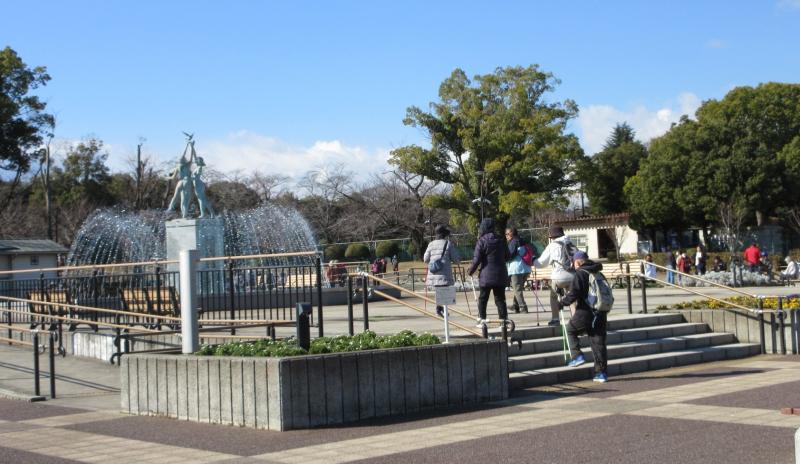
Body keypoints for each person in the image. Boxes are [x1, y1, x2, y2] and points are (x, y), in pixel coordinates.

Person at [559, 251, 608, 383]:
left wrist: (562, 303)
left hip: (585, 311)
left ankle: (577, 356)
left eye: (574, 262)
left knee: (570, 329)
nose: (573, 265)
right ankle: (601, 374)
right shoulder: (598, 272)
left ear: (578, 261)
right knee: (598, 343)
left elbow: (575, 293)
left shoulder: (581, 273)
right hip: (601, 311)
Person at [468, 218, 510, 326]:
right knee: (500, 299)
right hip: (500, 274)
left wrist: (470, 271)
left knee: (483, 299)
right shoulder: (501, 240)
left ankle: (482, 320)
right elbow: (508, 256)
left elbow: (476, 259)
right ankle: (503, 321)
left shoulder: (481, 241)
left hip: (486, 275)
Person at [533, 225, 576, 326]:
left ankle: (555, 319)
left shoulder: (553, 245)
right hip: (573, 275)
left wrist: (534, 260)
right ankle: (575, 319)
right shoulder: (570, 243)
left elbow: (541, 263)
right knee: (572, 297)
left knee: (554, 296)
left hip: (559, 276)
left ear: (552, 237)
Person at [424, 225, 460, 317]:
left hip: (434, 272)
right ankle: (442, 310)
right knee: (445, 291)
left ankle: (439, 309)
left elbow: (425, 259)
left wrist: (433, 260)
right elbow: (456, 260)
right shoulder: (448, 244)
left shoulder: (431, 244)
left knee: (438, 290)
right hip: (445, 273)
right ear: (444, 234)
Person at [505, 227, 531, 313]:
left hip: (516, 269)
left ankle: (523, 307)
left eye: (507, 234)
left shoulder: (513, 242)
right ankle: (515, 305)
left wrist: (503, 258)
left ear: (512, 233)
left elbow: (510, 255)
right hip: (525, 268)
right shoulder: (522, 240)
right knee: (518, 288)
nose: (506, 236)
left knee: (517, 289)